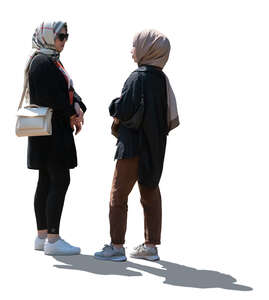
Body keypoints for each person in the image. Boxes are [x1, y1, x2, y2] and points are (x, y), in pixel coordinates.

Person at [94, 29, 179, 262]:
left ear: (147, 48)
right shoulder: (163, 81)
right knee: (150, 192)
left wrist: (113, 105)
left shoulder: (137, 77)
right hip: (154, 147)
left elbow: (123, 109)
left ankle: (116, 246)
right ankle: (151, 247)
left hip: (131, 146)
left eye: (135, 45)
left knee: (118, 195)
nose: (132, 49)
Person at [24, 21, 87, 255]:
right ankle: (53, 238)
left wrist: (78, 104)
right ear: (49, 36)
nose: (64, 41)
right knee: (59, 180)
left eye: (66, 36)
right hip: (51, 134)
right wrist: (72, 111)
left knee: (46, 180)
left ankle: (42, 236)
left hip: (48, 133)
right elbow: (50, 96)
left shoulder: (50, 60)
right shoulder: (41, 61)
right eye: (61, 36)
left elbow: (68, 89)